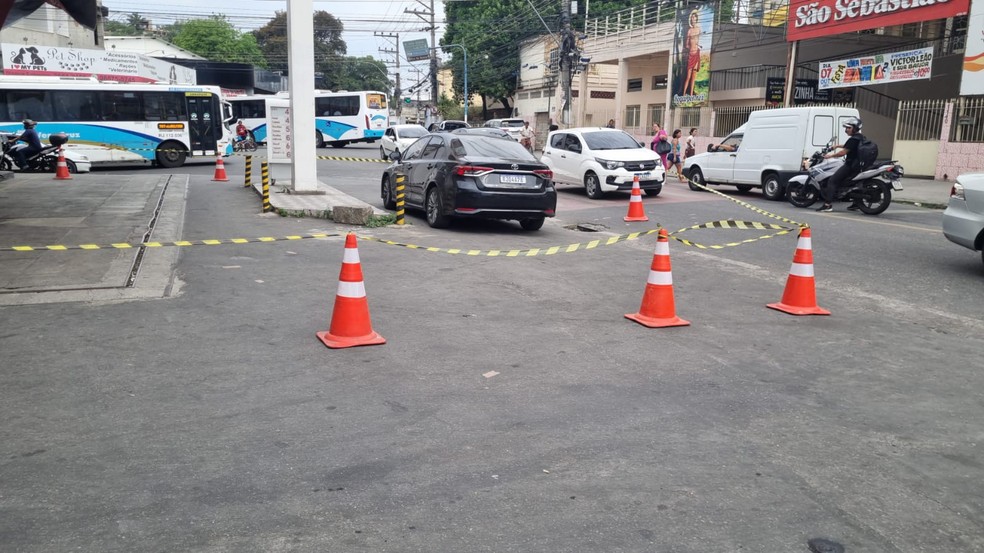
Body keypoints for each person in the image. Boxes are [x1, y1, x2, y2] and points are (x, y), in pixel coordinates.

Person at [817, 117, 864, 212]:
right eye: (846, 128)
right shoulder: (860, 137)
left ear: (855, 128)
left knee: (832, 181)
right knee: (853, 183)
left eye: (848, 128)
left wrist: (830, 156)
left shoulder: (853, 139)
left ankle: (827, 205)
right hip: (859, 165)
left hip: (850, 165)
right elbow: (849, 146)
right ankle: (856, 203)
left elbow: (843, 153)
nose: (846, 130)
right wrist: (837, 145)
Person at [683, 9, 701, 97]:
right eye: (692, 17)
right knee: (688, 76)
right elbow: (686, 44)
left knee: (694, 76)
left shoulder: (699, 29)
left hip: (696, 53)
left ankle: (690, 94)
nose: (693, 19)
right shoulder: (689, 31)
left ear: (696, 19)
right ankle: (683, 94)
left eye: (694, 17)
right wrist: (690, 45)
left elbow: (699, 41)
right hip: (691, 54)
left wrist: (698, 45)